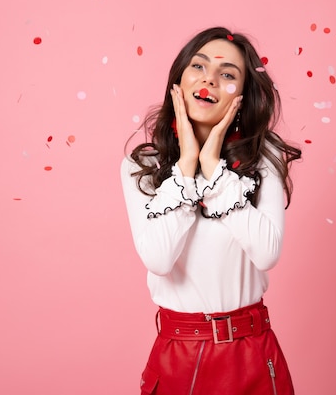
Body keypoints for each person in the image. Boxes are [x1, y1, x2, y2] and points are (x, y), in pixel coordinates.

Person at [121, 26, 301, 395]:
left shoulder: (263, 158)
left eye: (228, 74)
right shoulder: (142, 167)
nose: (210, 80)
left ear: (243, 96)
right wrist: (187, 165)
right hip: (178, 356)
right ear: (179, 81)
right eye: (198, 67)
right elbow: (158, 259)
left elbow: (267, 254)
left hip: (251, 353)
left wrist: (213, 168)